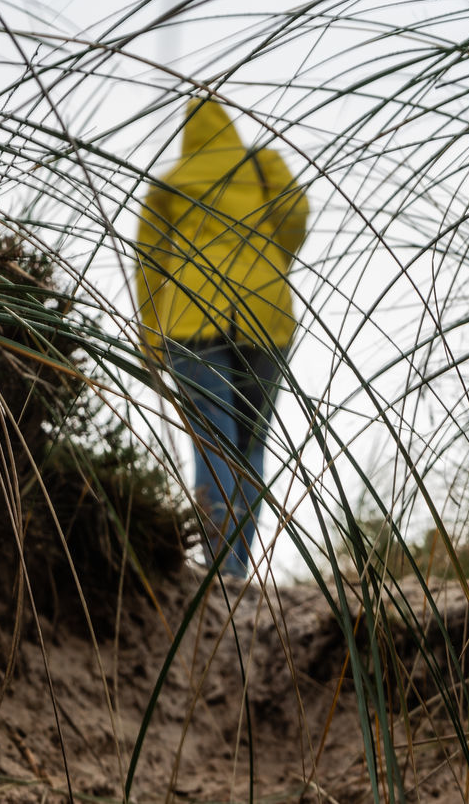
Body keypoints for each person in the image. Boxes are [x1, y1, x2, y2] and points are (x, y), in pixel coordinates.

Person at [135, 98, 309, 579]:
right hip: (267, 316)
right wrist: (269, 262)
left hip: (191, 323)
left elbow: (148, 267)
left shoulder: (170, 183)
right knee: (251, 447)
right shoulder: (263, 164)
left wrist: (150, 341)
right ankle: (234, 571)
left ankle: (219, 572)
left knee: (214, 444)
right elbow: (296, 217)